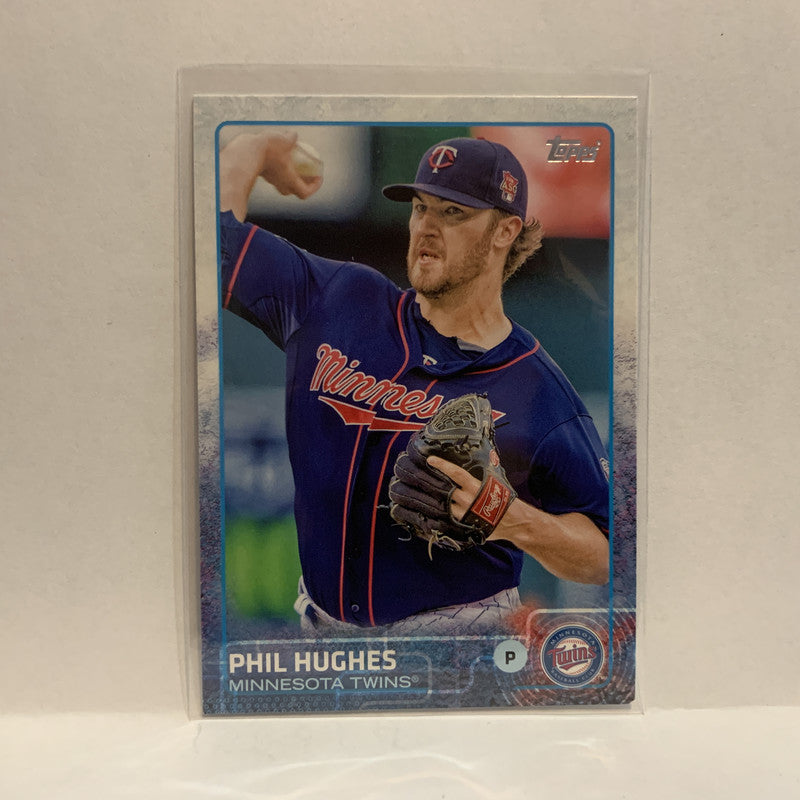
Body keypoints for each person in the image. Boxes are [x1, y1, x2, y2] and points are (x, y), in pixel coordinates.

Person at [218, 130, 610, 635]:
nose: (426, 226)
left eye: (453, 213)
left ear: (505, 231)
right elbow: (214, 244)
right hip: (324, 634)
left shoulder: (537, 388)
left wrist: (513, 519)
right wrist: (253, 149)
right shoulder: (340, 299)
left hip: (459, 640)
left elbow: (605, 553)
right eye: (421, 207)